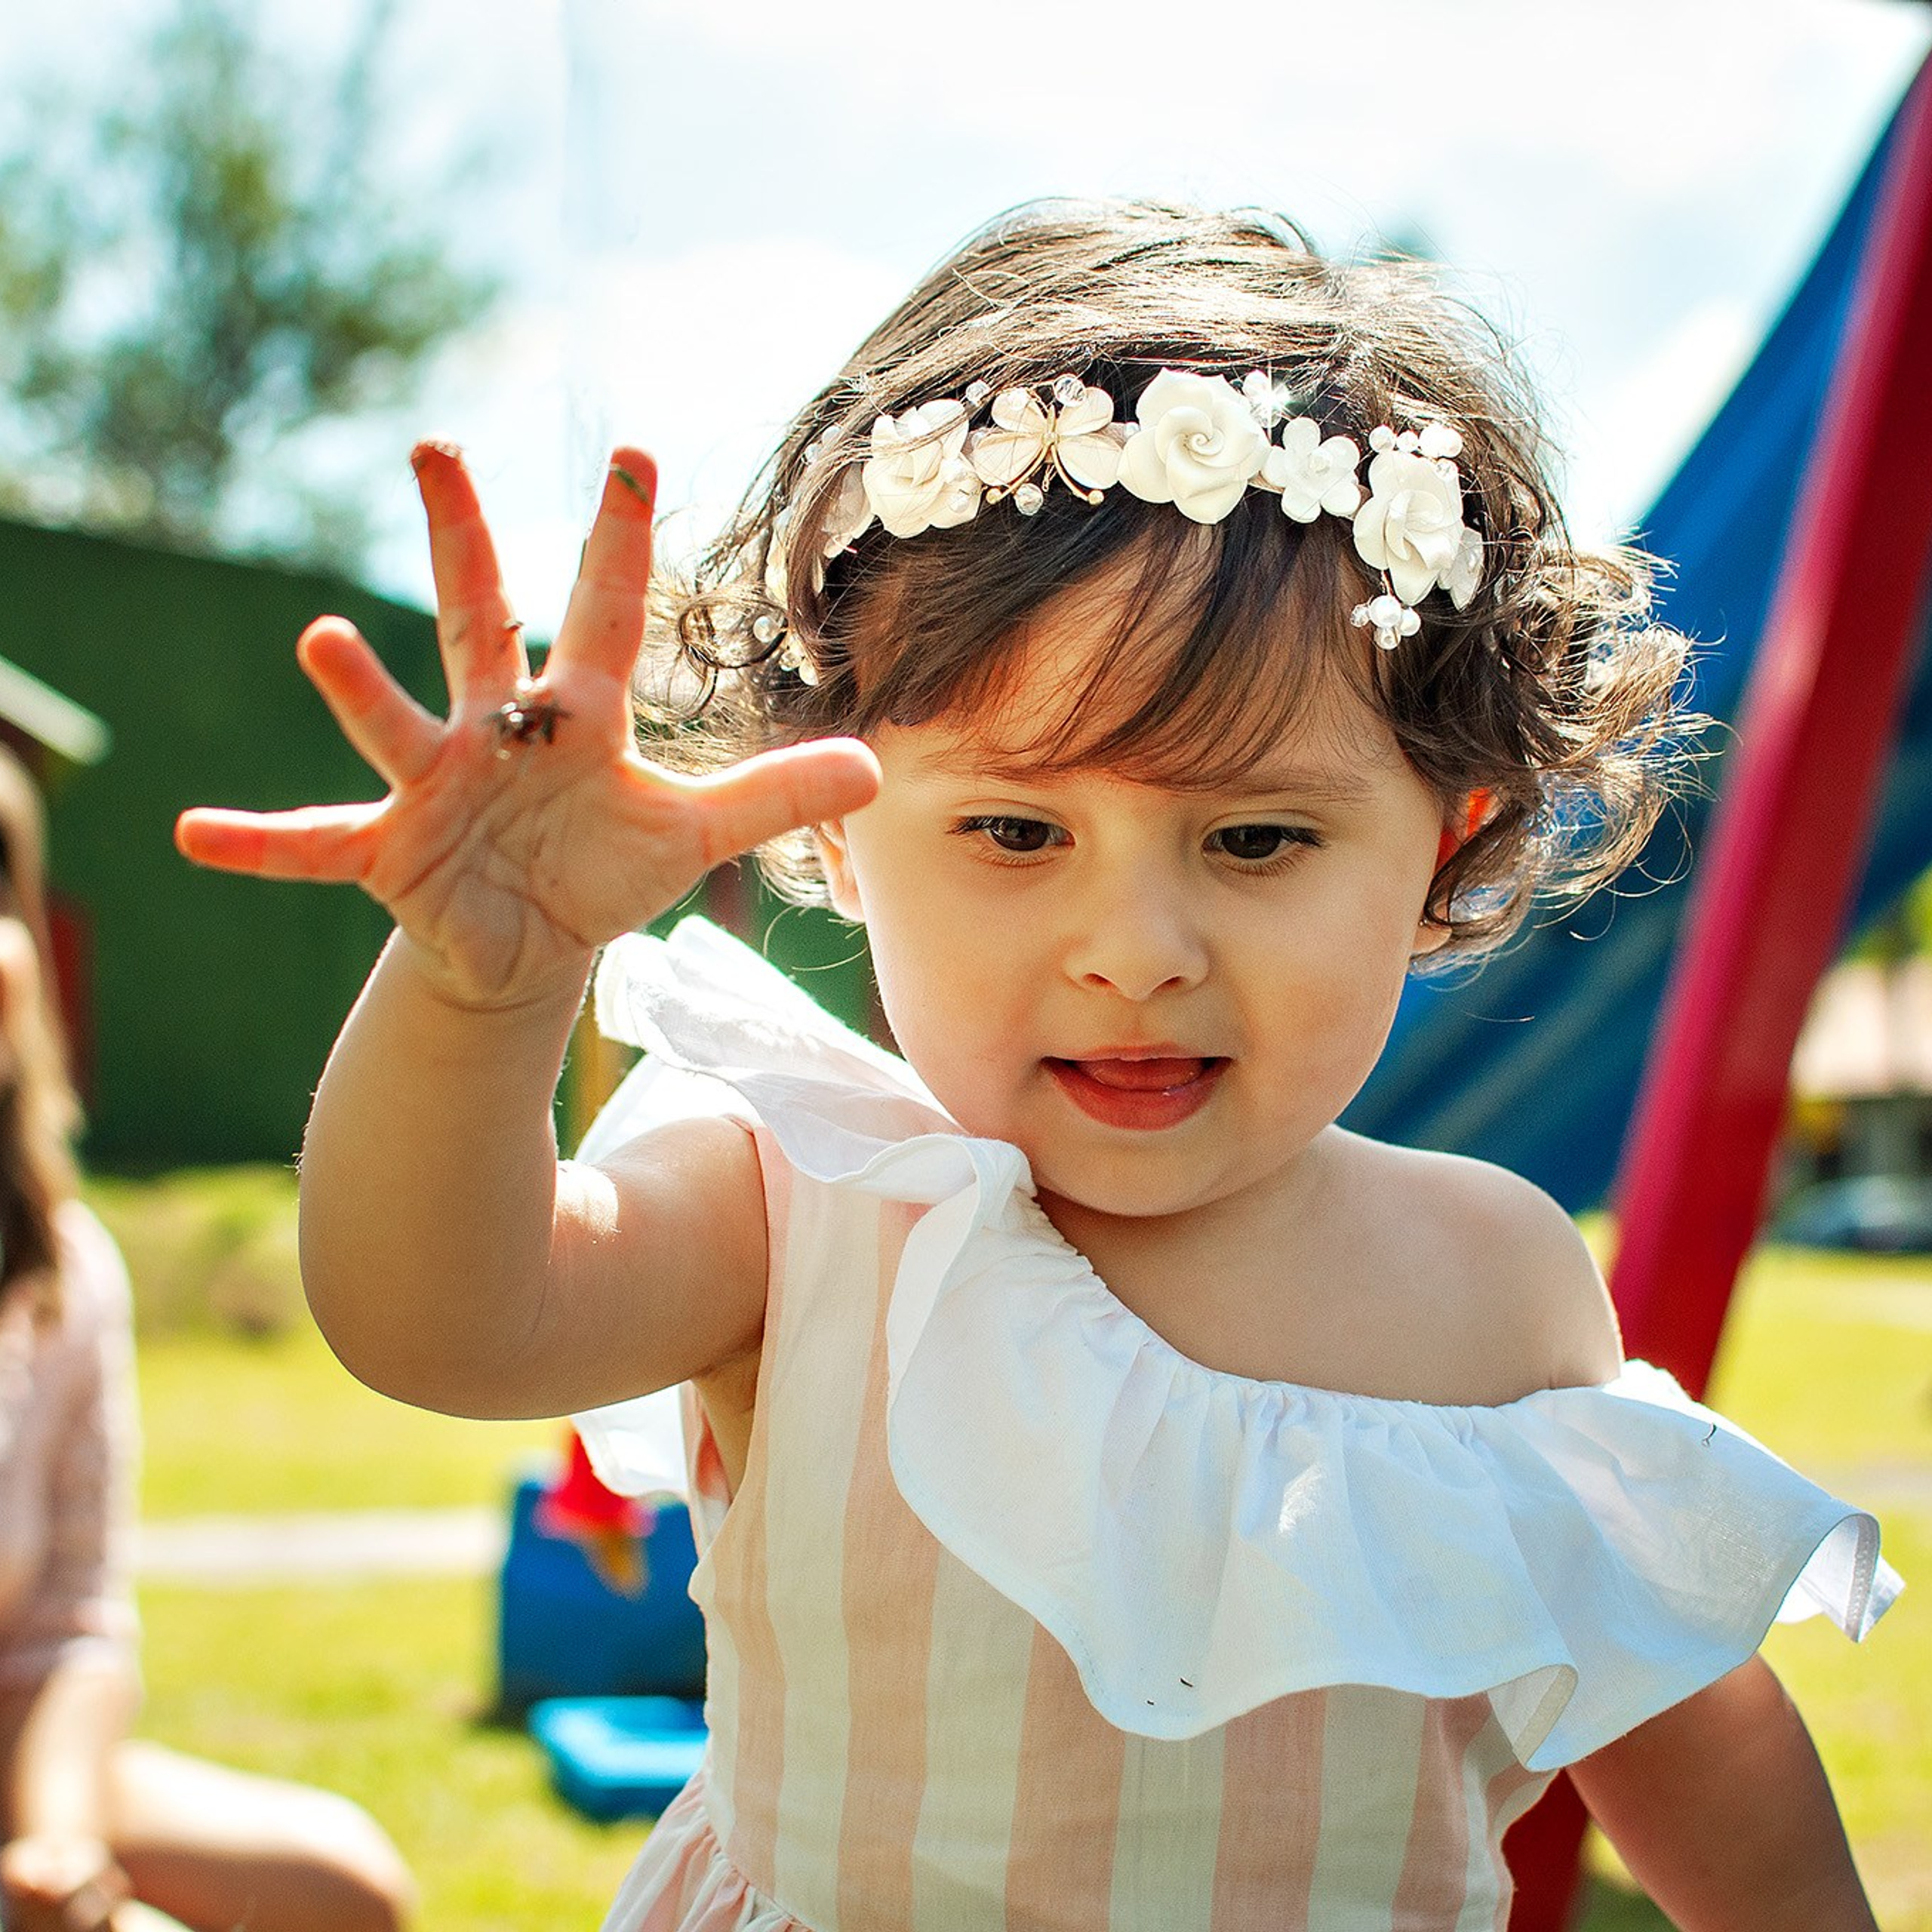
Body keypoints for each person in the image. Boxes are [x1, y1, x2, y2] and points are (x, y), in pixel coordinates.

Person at [177, 202, 1899, 1930]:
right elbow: (436, 1317)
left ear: (1445, 847)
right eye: (1013, 827)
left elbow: (1675, 1709)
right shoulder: (803, 1191)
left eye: (1252, 839)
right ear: (839, 832)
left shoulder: (1484, 1280)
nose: (1133, 947)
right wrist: (487, 992)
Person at [0, 749, 415, 1932]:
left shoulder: (61, 1273)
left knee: (345, 1890)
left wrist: (56, 1846)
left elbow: (72, 1625)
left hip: (13, 1759)